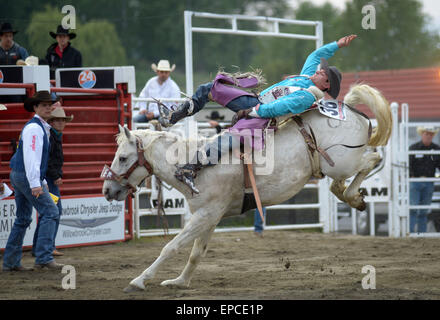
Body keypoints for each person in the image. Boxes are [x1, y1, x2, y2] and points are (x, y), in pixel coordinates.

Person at [159, 35, 357, 194]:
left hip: (262, 117)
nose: (319, 70)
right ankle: (174, 116)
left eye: (323, 73)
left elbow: (281, 107)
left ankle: (190, 169)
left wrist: (254, 111)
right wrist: (337, 45)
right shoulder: (306, 78)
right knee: (209, 89)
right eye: (321, 70)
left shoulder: (308, 96)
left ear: (327, 84)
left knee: (229, 140)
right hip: (256, 103)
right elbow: (315, 55)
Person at [2, 91, 65, 271]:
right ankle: (44, 257)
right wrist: (36, 183)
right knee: (51, 212)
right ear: (36, 107)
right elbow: (32, 158)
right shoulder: (36, 129)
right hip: (26, 175)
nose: (48, 107)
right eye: (43, 105)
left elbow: (33, 159)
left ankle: (11, 262)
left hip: (20, 174)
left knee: (22, 218)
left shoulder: (37, 127)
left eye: (49, 104)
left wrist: (40, 181)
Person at [32, 105, 73, 257]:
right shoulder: (52, 137)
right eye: (58, 120)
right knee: (54, 211)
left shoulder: (54, 136)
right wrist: (56, 176)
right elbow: (48, 160)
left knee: (48, 213)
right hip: (49, 179)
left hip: (48, 178)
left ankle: (40, 246)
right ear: (52, 122)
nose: (61, 123)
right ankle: (47, 246)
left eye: (63, 120)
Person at [409, 126, 440, 233]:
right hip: (415, 182)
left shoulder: (436, 149)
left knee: (424, 210)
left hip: (429, 182)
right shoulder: (414, 148)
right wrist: (411, 176)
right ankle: (411, 233)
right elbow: (409, 165)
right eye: (426, 134)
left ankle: (421, 233)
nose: (428, 136)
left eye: (431, 134)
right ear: (422, 134)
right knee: (413, 209)